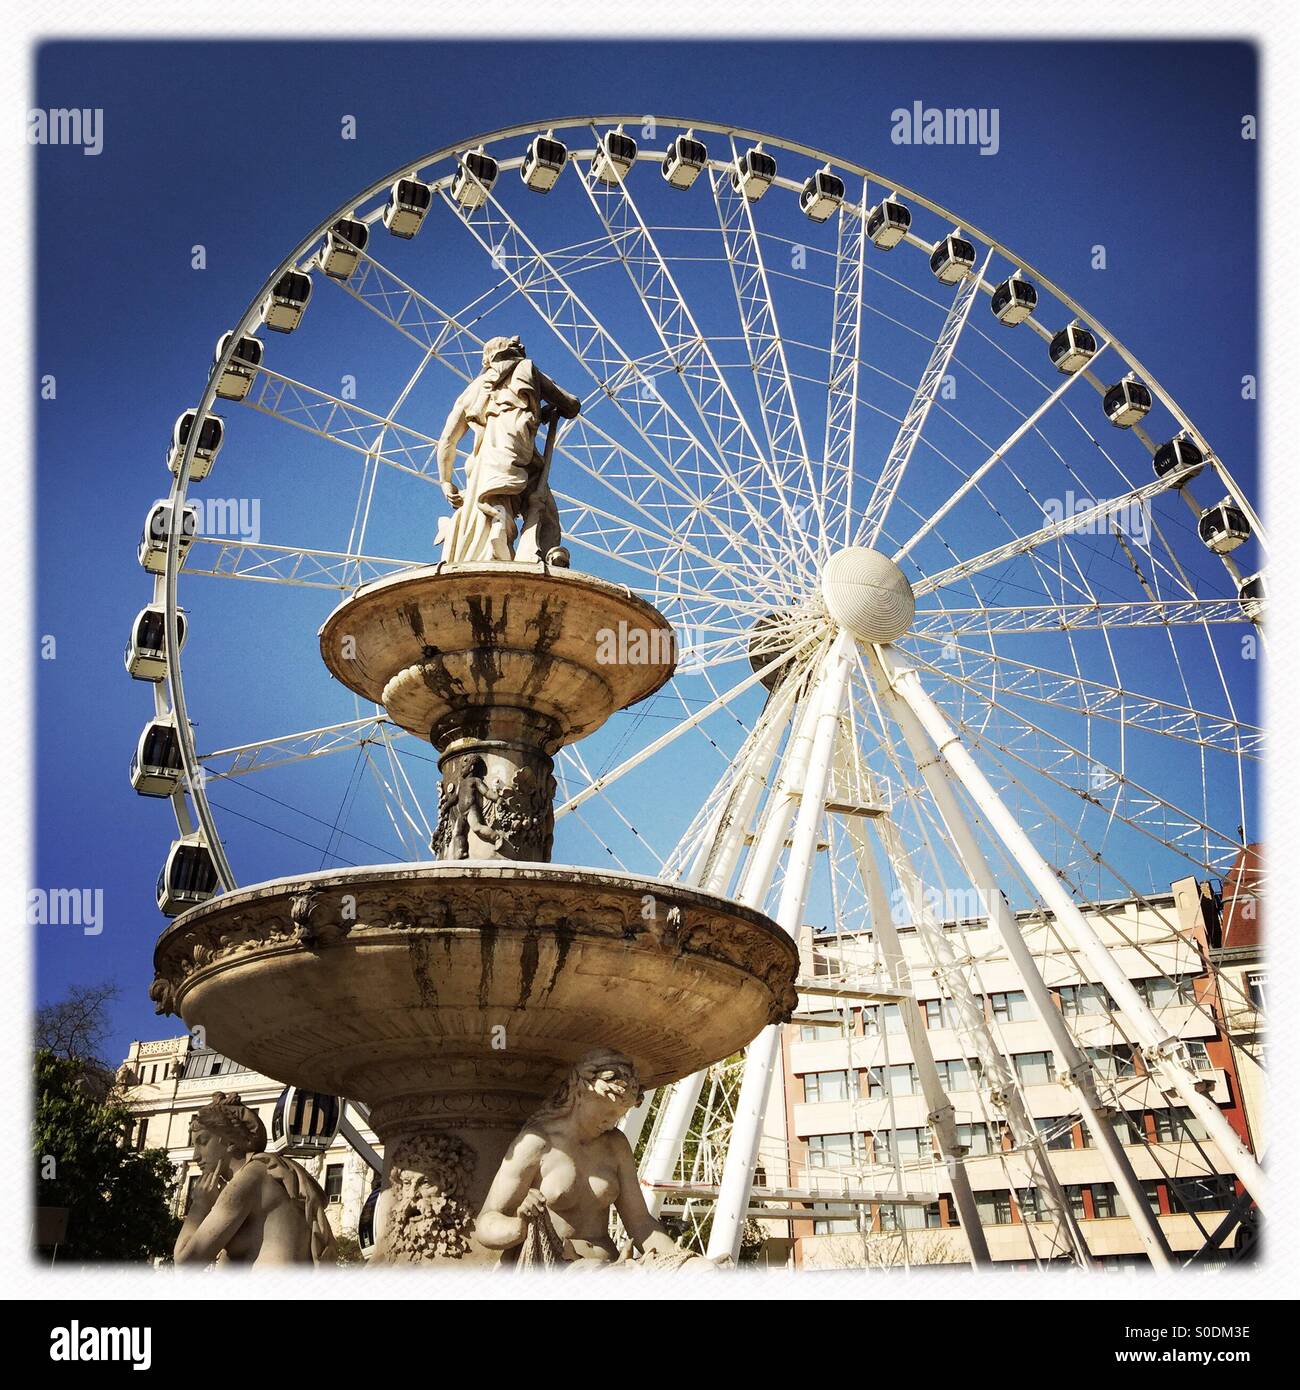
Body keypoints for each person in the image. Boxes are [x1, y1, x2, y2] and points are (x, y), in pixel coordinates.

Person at [475, 1049, 714, 1270]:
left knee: (704, 1271)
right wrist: (519, 1226)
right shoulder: (537, 1142)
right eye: (607, 1112)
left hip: (611, 1266)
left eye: (620, 1115)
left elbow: (640, 1223)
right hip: (555, 1267)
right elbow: (486, 1223)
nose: (612, 1122)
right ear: (580, 1091)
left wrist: (680, 1261)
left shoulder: (615, 1144)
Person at [436, 335, 580, 564]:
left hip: (486, 461)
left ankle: (499, 528)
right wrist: (547, 406)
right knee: (544, 507)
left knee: (494, 502)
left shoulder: (472, 391)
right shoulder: (527, 369)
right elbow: (571, 405)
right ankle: (546, 552)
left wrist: (445, 480)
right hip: (522, 453)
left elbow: (447, 440)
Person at [173, 1091, 336, 1266]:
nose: (196, 1156)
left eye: (203, 1142)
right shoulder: (271, 1171)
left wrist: (200, 1205)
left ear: (230, 1142)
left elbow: (186, 1262)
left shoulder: (248, 1179)